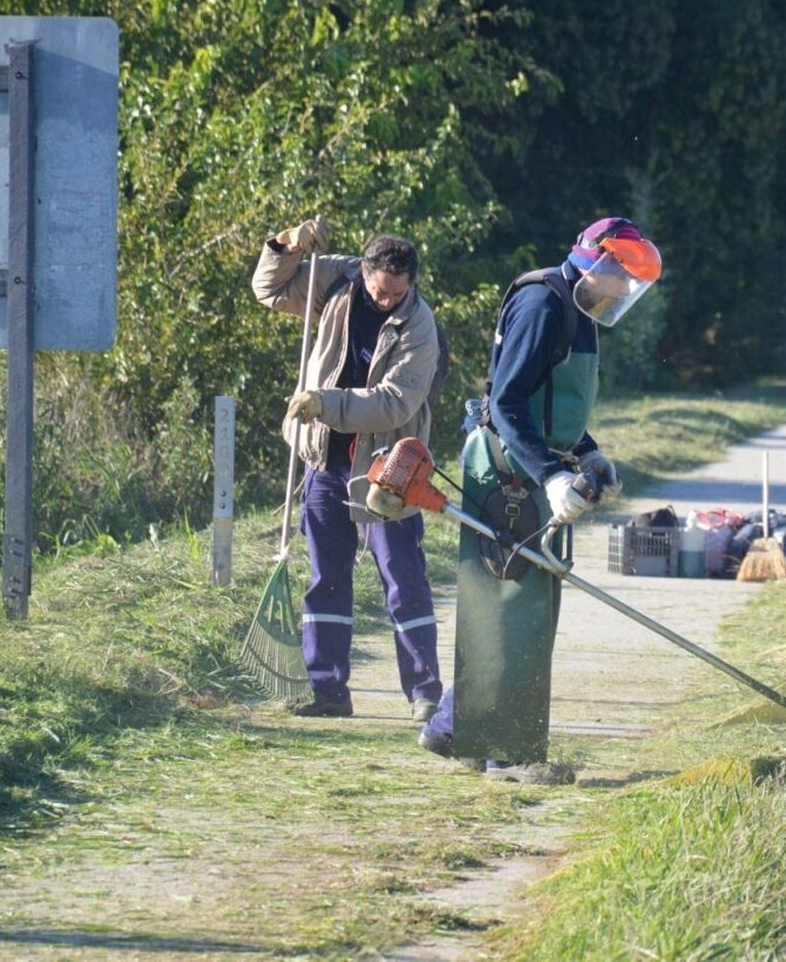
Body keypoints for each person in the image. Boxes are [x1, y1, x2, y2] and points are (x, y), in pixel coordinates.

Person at [416, 216, 662, 785]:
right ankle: (503, 752)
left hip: (540, 467)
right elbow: (506, 403)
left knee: (526, 614)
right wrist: (551, 475)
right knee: (508, 610)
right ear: (599, 264)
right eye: (625, 280)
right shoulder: (542, 305)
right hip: (508, 470)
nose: (627, 292)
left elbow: (555, 403)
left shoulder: (583, 311)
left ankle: (455, 728)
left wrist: (589, 454)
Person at [251, 217, 445, 722]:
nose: (387, 302)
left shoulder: (421, 327)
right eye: (380, 292)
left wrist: (325, 402)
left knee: (403, 579)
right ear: (364, 272)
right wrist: (287, 244)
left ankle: (425, 693)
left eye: (396, 295)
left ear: (411, 286)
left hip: (389, 470)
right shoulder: (335, 280)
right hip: (324, 459)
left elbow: (394, 404)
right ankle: (327, 690)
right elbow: (268, 290)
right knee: (326, 578)